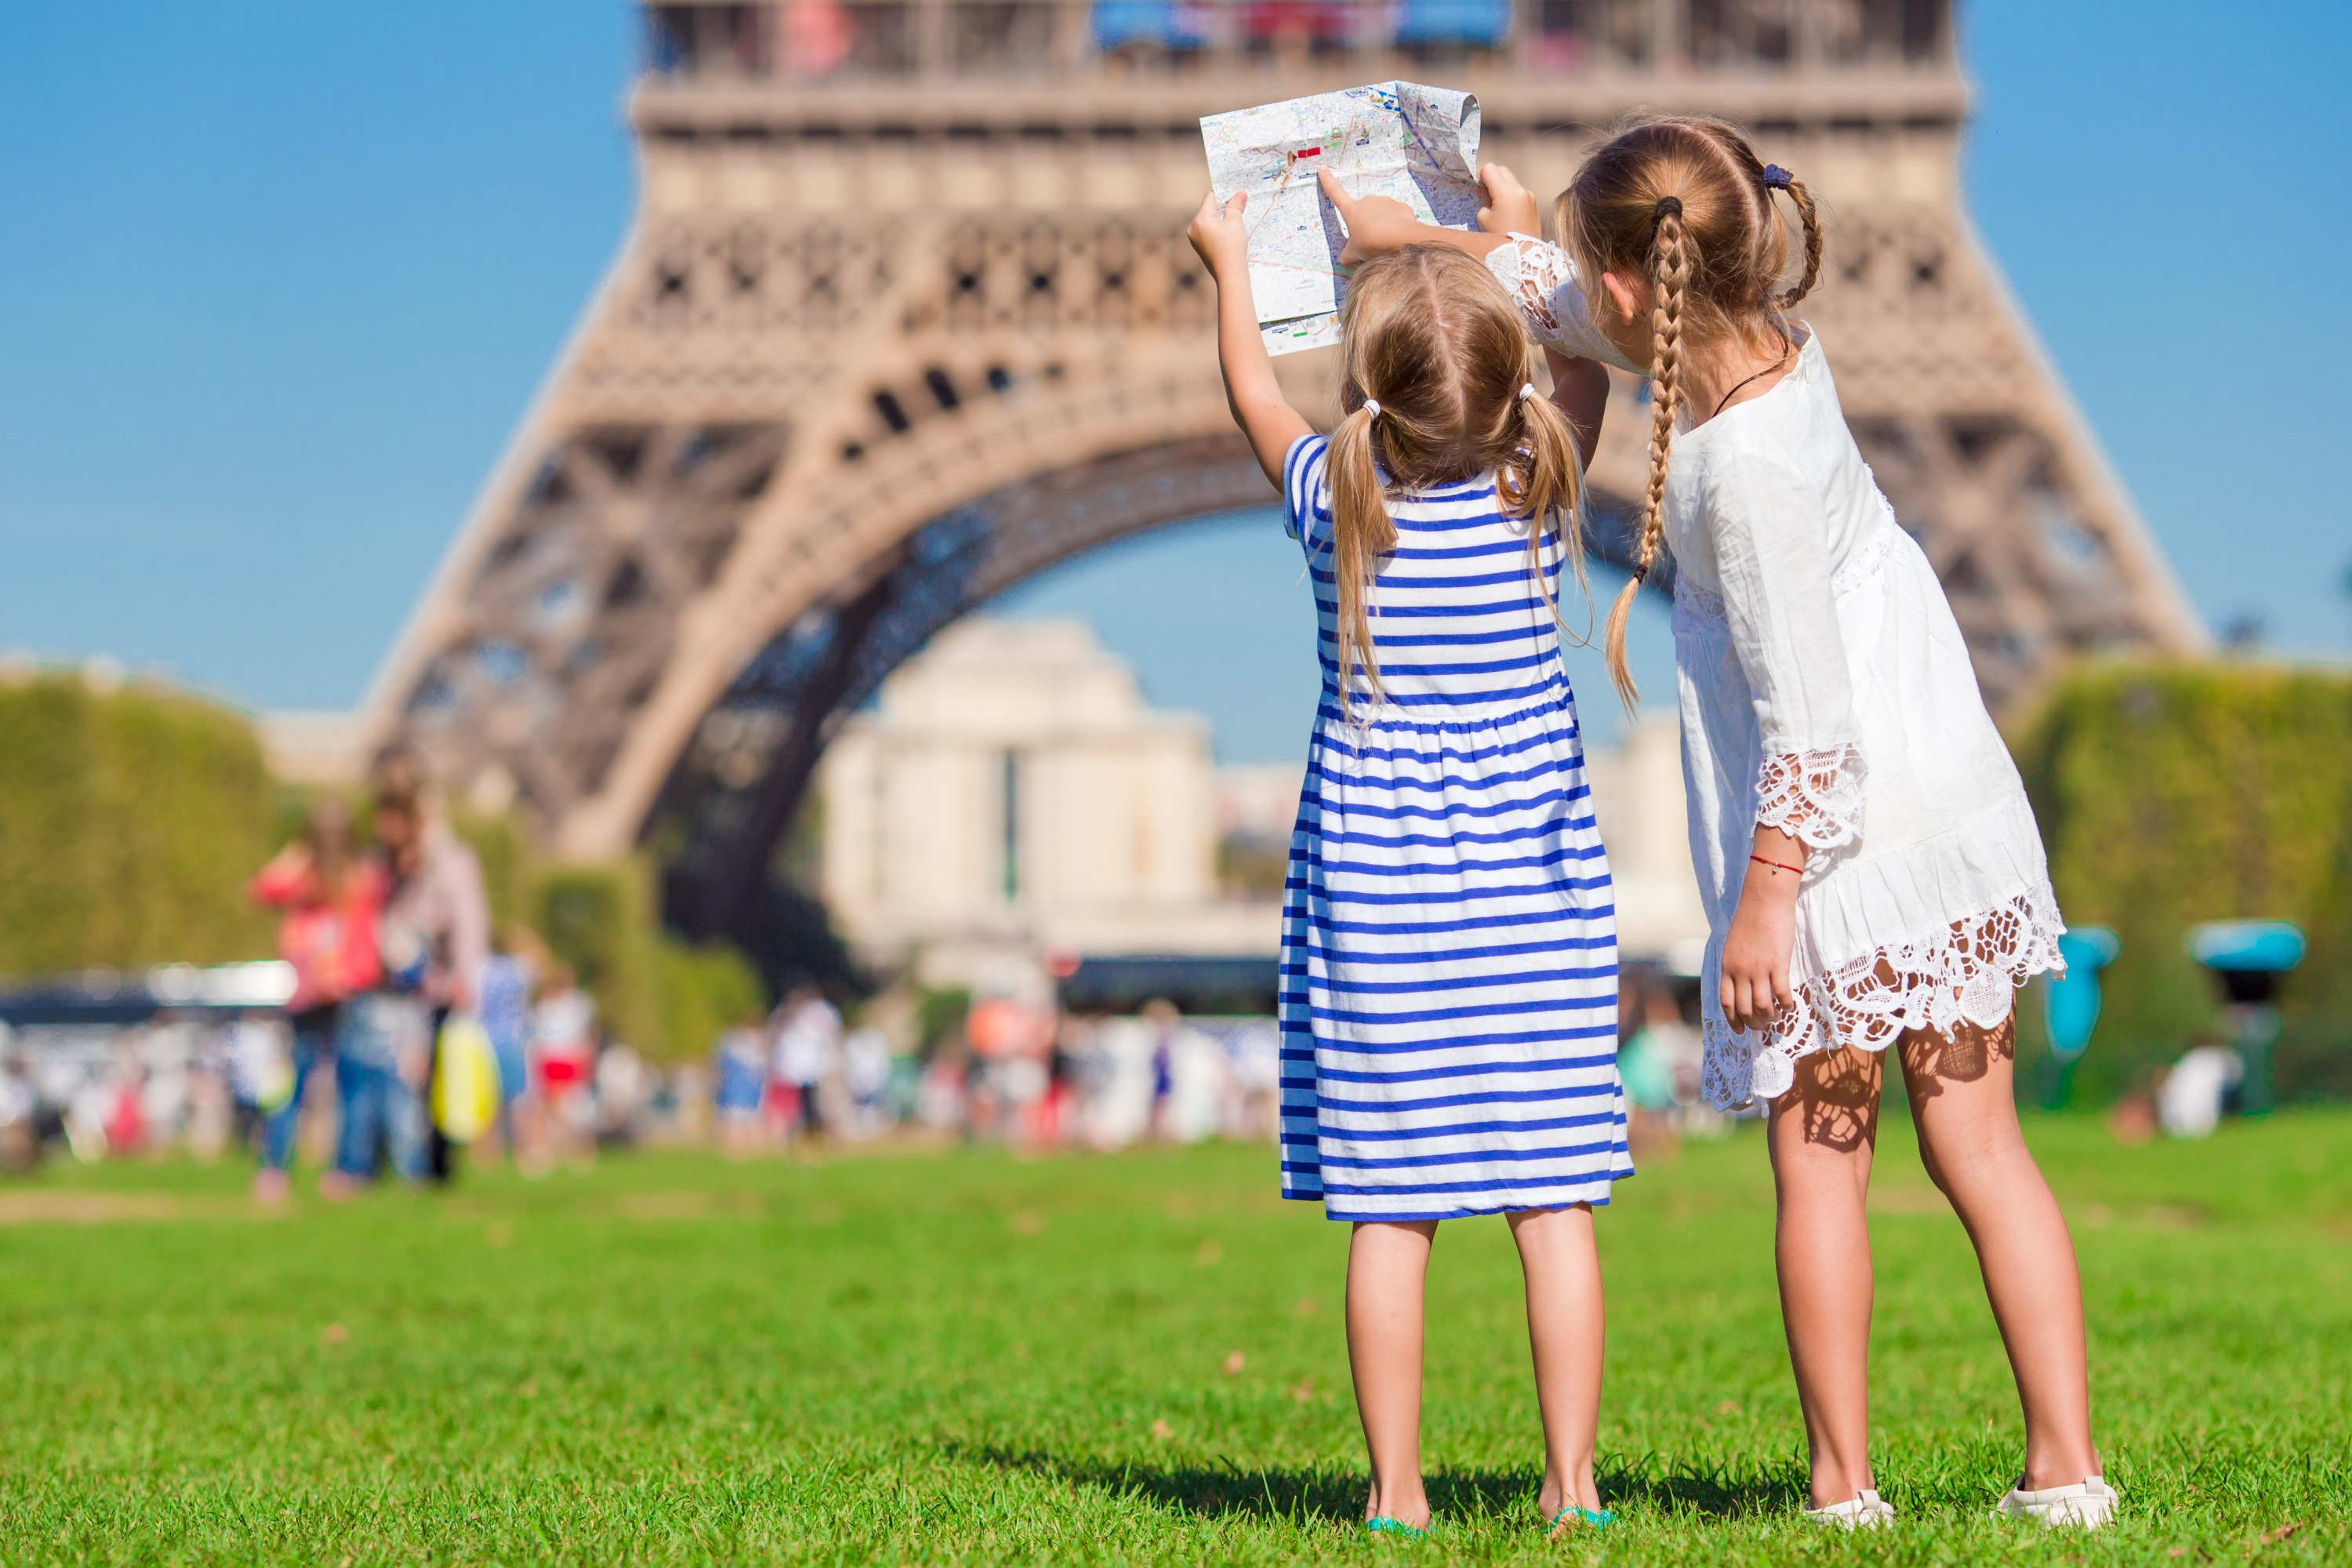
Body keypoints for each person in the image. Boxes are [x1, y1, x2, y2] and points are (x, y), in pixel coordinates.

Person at [1323, 117, 2108, 1529]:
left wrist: (1766, 905)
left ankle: (1842, 1483)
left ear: (1630, 283)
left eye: (1584, 265)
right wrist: (1427, 235)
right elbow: (1563, 291)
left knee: (1820, 1168)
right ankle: (2067, 1468)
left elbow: (1811, 731)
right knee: (1983, 1152)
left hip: (1842, 844)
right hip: (1953, 798)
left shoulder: (1737, 473)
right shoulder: (1769, 341)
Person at [1186, 190, 1628, 1540]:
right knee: (1552, 1205)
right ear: (1513, 403)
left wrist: (1229, 265)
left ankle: (1395, 1493)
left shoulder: (1339, 504)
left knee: (1391, 1212)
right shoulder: (1539, 486)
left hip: (1379, 907)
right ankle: (1574, 1486)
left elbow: (1255, 393)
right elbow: (1594, 354)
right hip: (1534, 902)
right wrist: (1484, 233)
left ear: (1368, 399)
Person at [249, 797, 386, 1201]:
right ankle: (293, 1168)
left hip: (345, 992)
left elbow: (365, 946)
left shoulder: (359, 880)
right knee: (314, 1085)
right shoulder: (316, 879)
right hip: (312, 993)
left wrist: (351, 975)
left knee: (344, 1084)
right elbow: (263, 888)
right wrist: (297, 857)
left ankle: (337, 1169)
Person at [370, 751, 490, 1185]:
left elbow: (467, 921)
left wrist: (465, 977)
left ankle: (432, 1164)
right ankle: (399, 1160)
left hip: (436, 987)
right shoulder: (384, 864)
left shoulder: (447, 861)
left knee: (436, 1079)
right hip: (399, 985)